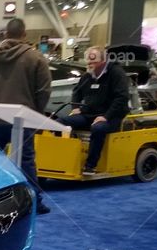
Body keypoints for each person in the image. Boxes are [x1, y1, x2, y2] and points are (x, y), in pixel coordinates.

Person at [0, 18, 52, 215]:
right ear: (24, 34)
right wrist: (36, 113)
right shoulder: (36, 58)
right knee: (26, 160)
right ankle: (33, 202)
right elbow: (44, 90)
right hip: (23, 119)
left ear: (5, 34)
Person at [55, 46, 130, 175]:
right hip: (88, 114)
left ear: (103, 61)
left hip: (111, 116)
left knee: (98, 128)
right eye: (88, 62)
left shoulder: (116, 73)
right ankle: (62, 158)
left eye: (93, 62)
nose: (90, 65)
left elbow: (122, 98)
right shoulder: (88, 75)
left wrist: (106, 116)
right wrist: (75, 108)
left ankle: (90, 165)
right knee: (59, 122)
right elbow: (76, 92)